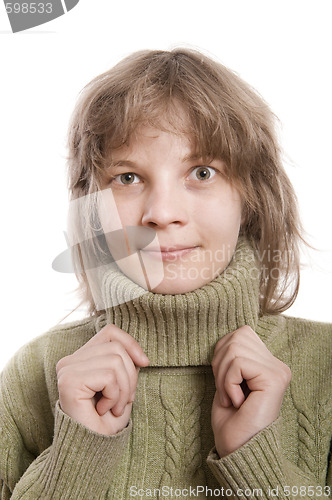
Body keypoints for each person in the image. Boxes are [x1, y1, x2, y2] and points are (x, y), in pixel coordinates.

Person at [0, 48, 331, 500]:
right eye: (128, 178)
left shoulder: (327, 366)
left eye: (202, 171)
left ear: (250, 197)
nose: (162, 213)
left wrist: (259, 463)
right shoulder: (32, 375)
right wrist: (76, 460)